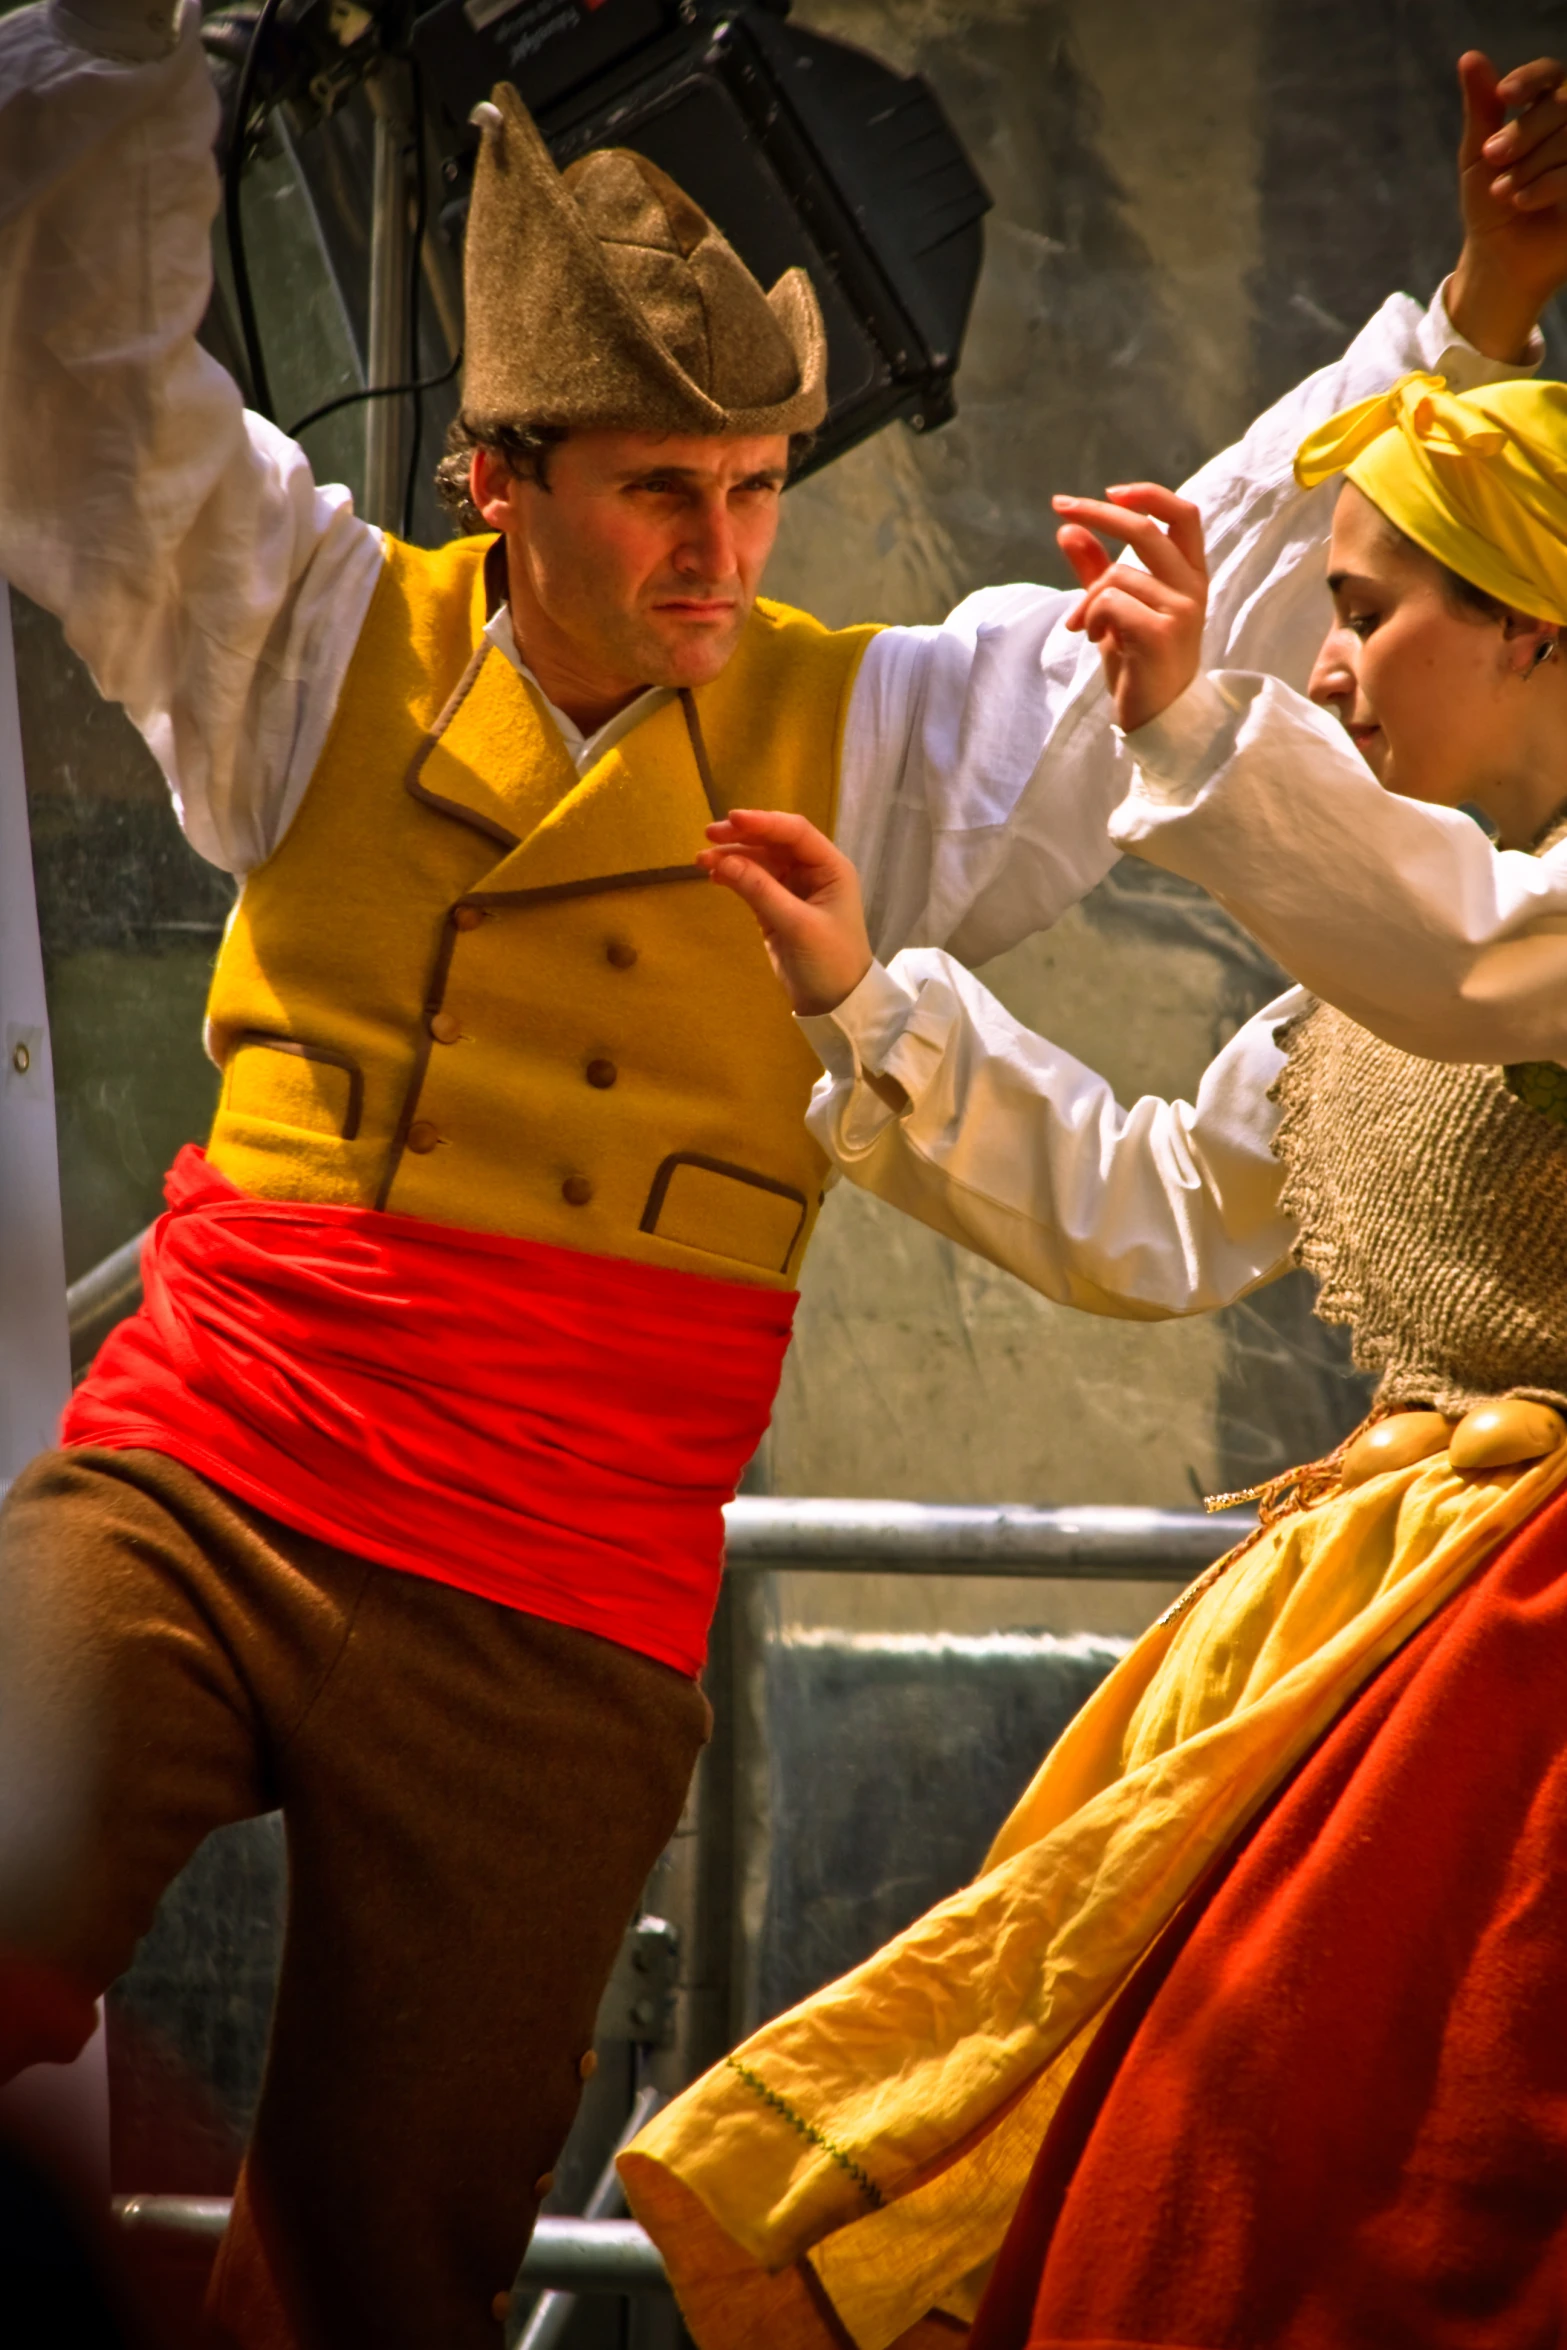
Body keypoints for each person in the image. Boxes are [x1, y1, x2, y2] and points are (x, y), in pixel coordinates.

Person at [0, 2, 1562, 2343]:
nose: (728, 549)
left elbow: (1211, 629)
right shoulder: (311, 637)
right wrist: (119, 28)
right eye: (664, 490)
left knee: (387, 2252)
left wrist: (1462, 328)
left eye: (756, 485)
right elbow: (86, 381)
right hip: (231, 1461)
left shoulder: (888, 738)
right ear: (495, 481)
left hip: (560, 1587)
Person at [617, 149, 1567, 2350]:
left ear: (1537, 623)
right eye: (1317, 609)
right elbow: (1159, 1201)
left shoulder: (1486, 938)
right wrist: (873, 1002)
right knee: (1195, 2172)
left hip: (1523, 1683)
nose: (1328, 668)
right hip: (1398, 1652)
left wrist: (1193, 728)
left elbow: (1462, 950)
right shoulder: (1380, 981)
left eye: (1372, 612)